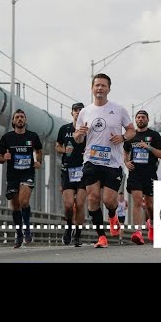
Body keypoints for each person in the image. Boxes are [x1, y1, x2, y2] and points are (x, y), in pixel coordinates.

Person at [74, 73, 136, 249]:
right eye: (97, 85)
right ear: (92, 88)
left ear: (109, 88)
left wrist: (123, 137)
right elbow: (77, 139)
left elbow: (132, 131)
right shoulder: (85, 112)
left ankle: (112, 214)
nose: (99, 88)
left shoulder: (119, 109)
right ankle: (101, 237)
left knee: (109, 200)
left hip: (112, 162)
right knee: (93, 198)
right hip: (91, 160)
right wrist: (79, 134)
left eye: (103, 85)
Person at [0, 109, 43, 248]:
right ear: (13, 121)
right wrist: (3, 158)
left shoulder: (32, 136)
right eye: (17, 117)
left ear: (25, 120)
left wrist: (38, 161)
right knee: (15, 205)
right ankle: (19, 233)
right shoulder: (7, 138)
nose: (20, 119)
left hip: (27, 173)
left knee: (23, 201)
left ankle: (27, 228)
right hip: (12, 175)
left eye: (22, 117)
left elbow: (39, 151)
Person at [123, 109, 161, 245]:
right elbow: (125, 151)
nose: (140, 119)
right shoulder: (131, 135)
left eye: (143, 117)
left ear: (147, 119)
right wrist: (126, 162)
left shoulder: (154, 135)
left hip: (150, 173)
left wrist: (149, 148)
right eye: (138, 117)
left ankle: (152, 224)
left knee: (149, 204)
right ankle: (138, 232)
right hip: (135, 173)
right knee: (136, 201)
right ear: (135, 120)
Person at [56, 102, 87, 247]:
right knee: (68, 205)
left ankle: (78, 235)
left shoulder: (89, 130)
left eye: (81, 110)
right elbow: (57, 146)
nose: (78, 112)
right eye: (75, 110)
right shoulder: (64, 129)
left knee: (80, 204)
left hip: (84, 170)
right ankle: (69, 227)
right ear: (72, 113)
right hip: (67, 170)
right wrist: (64, 150)